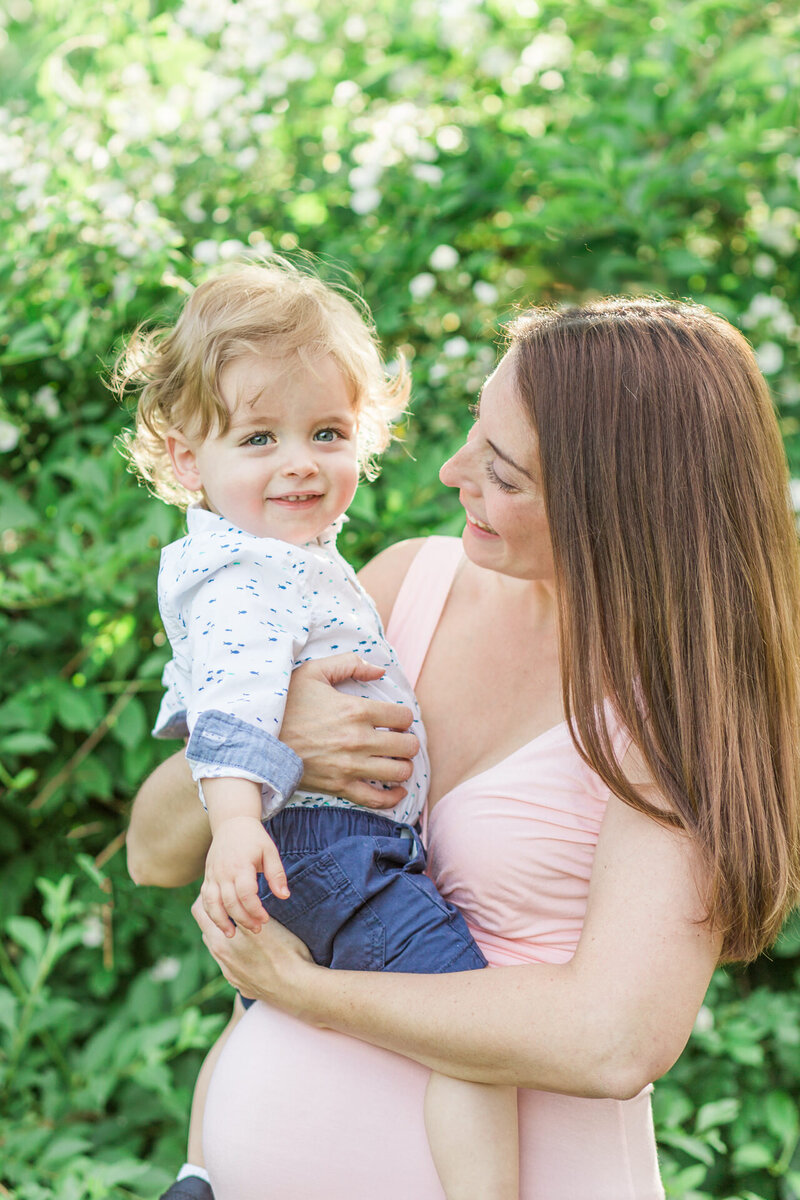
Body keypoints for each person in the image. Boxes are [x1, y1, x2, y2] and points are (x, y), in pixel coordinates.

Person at [128, 296, 800, 1200]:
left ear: (619, 504)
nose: (452, 473)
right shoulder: (409, 587)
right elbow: (154, 851)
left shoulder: (683, 708)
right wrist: (279, 743)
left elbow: (613, 1040)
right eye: (474, 437)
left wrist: (304, 991)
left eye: (504, 472)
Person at [117, 260, 519, 1200]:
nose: (299, 460)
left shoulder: (278, 556)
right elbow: (229, 714)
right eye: (259, 438)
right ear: (186, 461)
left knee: (253, 1005)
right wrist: (237, 826)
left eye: (326, 432)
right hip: (326, 842)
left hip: (317, 842)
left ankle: (197, 1171)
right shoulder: (251, 577)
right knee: (475, 1025)